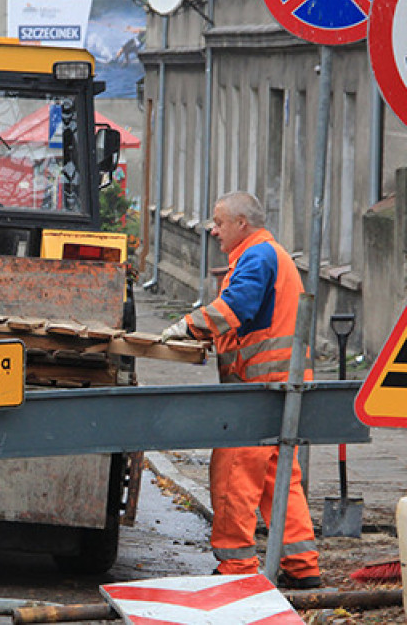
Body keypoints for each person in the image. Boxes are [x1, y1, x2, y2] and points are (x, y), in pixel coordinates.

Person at [160, 190, 321, 589]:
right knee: (278, 475)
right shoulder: (268, 254)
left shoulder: (257, 256)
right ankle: (302, 566)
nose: (213, 230)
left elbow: (237, 306)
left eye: (219, 222)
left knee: (235, 472)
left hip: (260, 388)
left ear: (241, 224)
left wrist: (189, 326)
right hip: (283, 386)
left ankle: (237, 568)